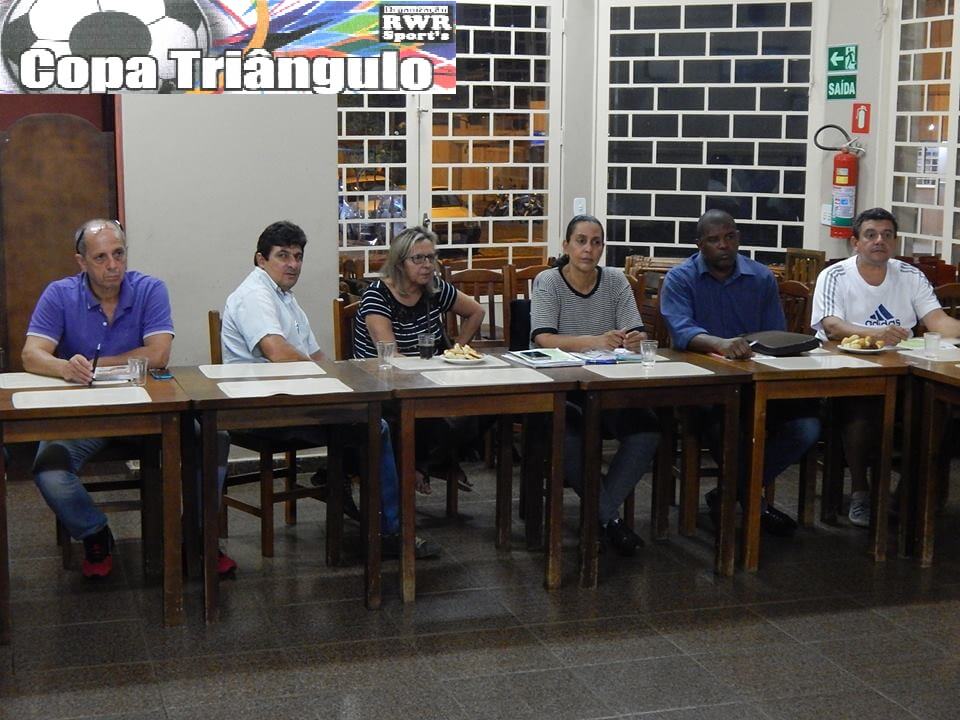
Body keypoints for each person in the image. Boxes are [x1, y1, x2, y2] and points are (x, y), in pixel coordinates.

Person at [21, 219, 235, 578]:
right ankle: (94, 534)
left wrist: (96, 365)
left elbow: (158, 355)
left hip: (154, 412)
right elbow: (31, 354)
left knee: (214, 441)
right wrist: (64, 368)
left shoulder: (150, 289)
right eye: (101, 257)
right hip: (88, 415)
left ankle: (196, 535)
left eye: (118, 254)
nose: (113, 265)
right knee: (49, 469)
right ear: (82, 263)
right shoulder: (60, 294)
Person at [221, 220, 439, 559]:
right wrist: (336, 382)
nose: (292, 264)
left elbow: (317, 355)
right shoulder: (254, 294)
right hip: (261, 407)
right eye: (282, 256)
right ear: (260, 260)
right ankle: (389, 531)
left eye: (297, 256)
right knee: (372, 424)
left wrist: (346, 378)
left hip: (292, 398)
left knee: (378, 416)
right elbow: (278, 353)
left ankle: (356, 501)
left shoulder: (285, 298)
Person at [660, 209, 820, 536]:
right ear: (699, 245)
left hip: (758, 382)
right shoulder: (681, 278)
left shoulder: (760, 277)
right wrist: (721, 343)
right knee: (726, 426)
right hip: (705, 388)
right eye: (714, 239)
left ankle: (730, 493)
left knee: (807, 426)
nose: (724, 245)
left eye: (730, 237)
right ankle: (753, 503)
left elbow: (775, 334)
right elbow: (681, 331)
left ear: (738, 238)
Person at [811, 207, 960, 527]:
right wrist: (874, 333)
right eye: (871, 235)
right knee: (860, 412)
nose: (880, 241)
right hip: (849, 369)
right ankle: (862, 492)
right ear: (855, 242)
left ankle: (907, 494)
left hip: (905, 367)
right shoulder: (834, 275)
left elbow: (937, 321)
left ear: (895, 241)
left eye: (887, 235)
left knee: (939, 409)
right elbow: (832, 326)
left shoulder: (910, 275)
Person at [529, 214, 660, 555]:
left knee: (647, 431)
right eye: (581, 241)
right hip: (564, 391)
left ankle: (600, 515)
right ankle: (609, 520)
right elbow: (543, 337)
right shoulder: (549, 281)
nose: (589, 249)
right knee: (568, 437)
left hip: (611, 389)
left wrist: (632, 340)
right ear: (567, 246)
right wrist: (596, 341)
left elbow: (636, 331)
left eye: (596, 242)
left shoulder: (616, 281)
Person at [353, 225, 485, 494]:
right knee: (437, 415)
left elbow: (476, 312)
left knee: (482, 408)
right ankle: (425, 464)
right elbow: (390, 355)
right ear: (400, 263)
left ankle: (423, 463)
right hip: (384, 385)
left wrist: (456, 351)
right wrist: (431, 371)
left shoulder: (434, 288)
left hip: (428, 380)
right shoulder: (378, 295)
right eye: (418, 259)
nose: (428, 266)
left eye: (431, 257)